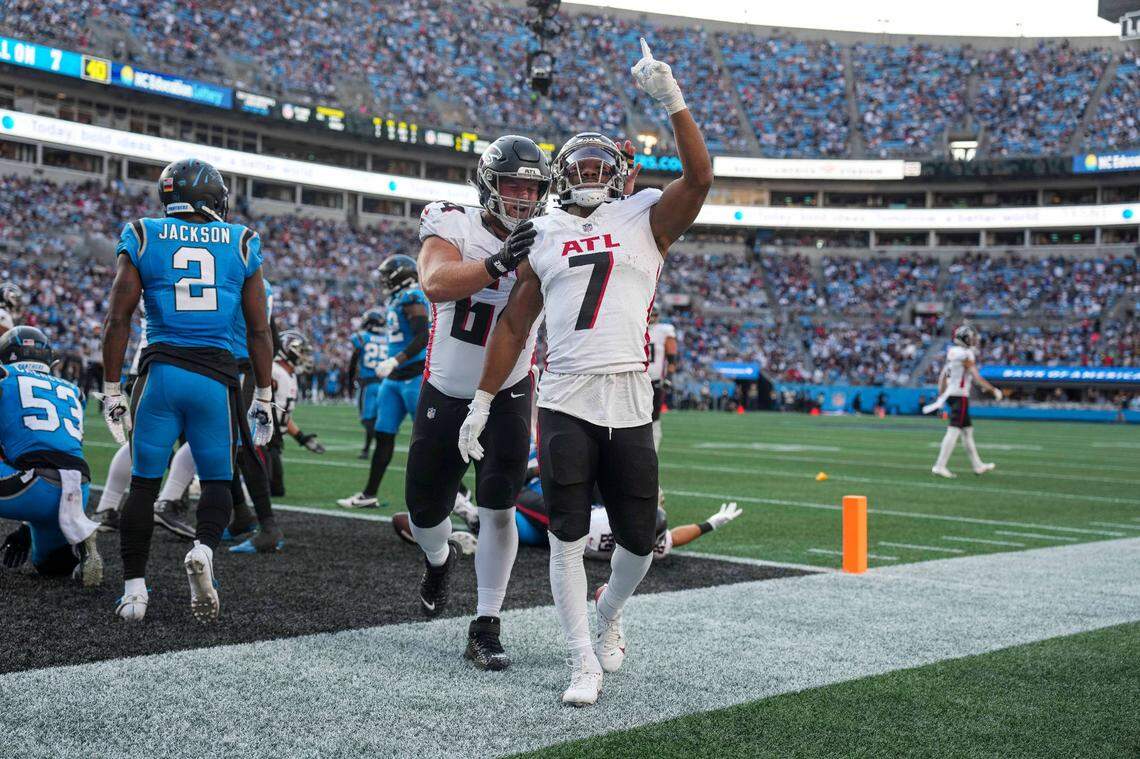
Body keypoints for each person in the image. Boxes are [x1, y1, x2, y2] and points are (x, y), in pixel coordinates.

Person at [457, 38, 712, 706]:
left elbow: (703, 176)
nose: (595, 172)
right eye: (583, 163)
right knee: (568, 531)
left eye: (605, 162)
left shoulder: (646, 213)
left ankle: (609, 613)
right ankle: (580, 659)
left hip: (629, 392)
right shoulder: (541, 232)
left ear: (622, 173)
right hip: (567, 393)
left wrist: (673, 100)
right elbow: (513, 323)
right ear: (563, 174)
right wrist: (483, 399)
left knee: (641, 536)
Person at [100, 158, 275, 622]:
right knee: (217, 481)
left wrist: (112, 387)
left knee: (142, 485)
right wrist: (264, 395)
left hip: (159, 375)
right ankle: (203, 551)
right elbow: (260, 331)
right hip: (216, 380)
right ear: (211, 198)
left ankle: (134, 591)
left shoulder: (142, 233)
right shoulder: (241, 241)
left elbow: (118, 318)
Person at [400, 134, 551, 670]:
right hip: (446, 391)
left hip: (510, 390)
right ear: (488, 185)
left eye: (532, 188)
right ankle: (439, 560)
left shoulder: (548, 230)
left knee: (499, 507)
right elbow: (436, 281)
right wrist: (497, 264)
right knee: (425, 512)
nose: (521, 198)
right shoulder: (453, 222)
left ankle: (486, 623)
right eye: (512, 185)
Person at [0, 326, 102, 586]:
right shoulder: (72, 390)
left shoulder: (4, 377)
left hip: (29, 487)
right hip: (77, 486)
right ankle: (77, 545)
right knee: (51, 565)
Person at [337, 256, 431, 509]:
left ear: (401, 276)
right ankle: (369, 494)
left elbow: (424, 334)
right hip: (393, 380)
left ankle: (460, 497)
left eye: (388, 274)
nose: (383, 280)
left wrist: (395, 360)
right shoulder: (397, 299)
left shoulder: (412, 296)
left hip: (412, 375)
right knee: (383, 436)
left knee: (426, 440)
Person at [232, 329, 324, 553]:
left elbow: (283, 414)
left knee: (275, 486)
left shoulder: (288, 373)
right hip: (262, 435)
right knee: (255, 476)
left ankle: (248, 517)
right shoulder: (273, 370)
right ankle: (257, 522)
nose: (303, 356)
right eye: (300, 351)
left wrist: (302, 438)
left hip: (274, 439)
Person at [924, 324, 1003, 478]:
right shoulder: (965, 354)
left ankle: (977, 465)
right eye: (971, 337)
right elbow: (976, 376)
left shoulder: (953, 352)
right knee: (954, 430)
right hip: (960, 396)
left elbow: (943, 375)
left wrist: (941, 394)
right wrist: (993, 390)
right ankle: (940, 466)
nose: (973, 340)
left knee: (967, 432)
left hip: (952, 394)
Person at [347, 308, 388, 459]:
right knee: (376, 419)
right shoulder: (388, 339)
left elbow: (353, 363)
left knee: (367, 419)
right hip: (385, 384)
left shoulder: (362, 337)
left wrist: (350, 383)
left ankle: (381, 445)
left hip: (369, 384)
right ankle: (367, 449)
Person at [647, 304, 678, 455]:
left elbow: (672, 358)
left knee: (654, 419)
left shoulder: (663, 330)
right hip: (636, 379)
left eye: (655, 314)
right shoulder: (636, 328)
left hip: (655, 381)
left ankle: (653, 451)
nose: (652, 317)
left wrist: (669, 377)